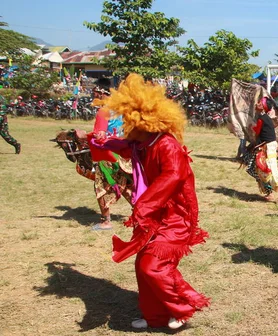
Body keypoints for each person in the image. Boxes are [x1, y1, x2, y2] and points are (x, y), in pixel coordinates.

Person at [90, 74, 210, 330]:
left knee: (153, 266)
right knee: (142, 265)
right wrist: (100, 140)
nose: (126, 127)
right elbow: (124, 146)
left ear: (145, 120)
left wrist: (143, 207)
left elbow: (173, 176)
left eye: (129, 122)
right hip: (155, 215)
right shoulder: (143, 142)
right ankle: (154, 316)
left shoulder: (166, 145)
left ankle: (183, 305)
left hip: (176, 215)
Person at [91, 77, 133, 231]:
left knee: (101, 187)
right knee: (128, 185)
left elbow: (100, 135)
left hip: (108, 156)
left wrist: (90, 137)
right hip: (125, 154)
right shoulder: (122, 109)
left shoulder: (103, 111)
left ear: (102, 93)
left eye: (95, 92)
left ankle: (106, 221)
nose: (94, 95)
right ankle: (140, 215)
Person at [252, 97, 278, 203]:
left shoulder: (262, 119)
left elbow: (257, 132)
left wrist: (250, 127)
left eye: (259, 103)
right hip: (266, 146)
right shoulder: (263, 118)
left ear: (263, 107)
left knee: (270, 170)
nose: (257, 104)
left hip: (269, 148)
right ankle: (270, 193)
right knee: (261, 171)